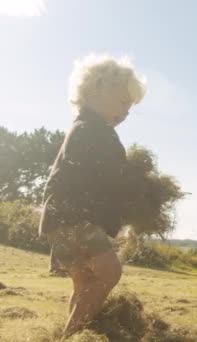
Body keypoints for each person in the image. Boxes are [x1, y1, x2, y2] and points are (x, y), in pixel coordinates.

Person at [38, 54, 146, 336]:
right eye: (123, 102)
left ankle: (73, 332)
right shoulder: (92, 130)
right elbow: (110, 175)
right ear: (96, 92)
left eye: (130, 107)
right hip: (74, 218)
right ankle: (71, 336)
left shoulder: (85, 128)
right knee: (110, 273)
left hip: (60, 219)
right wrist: (133, 183)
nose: (126, 113)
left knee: (85, 284)